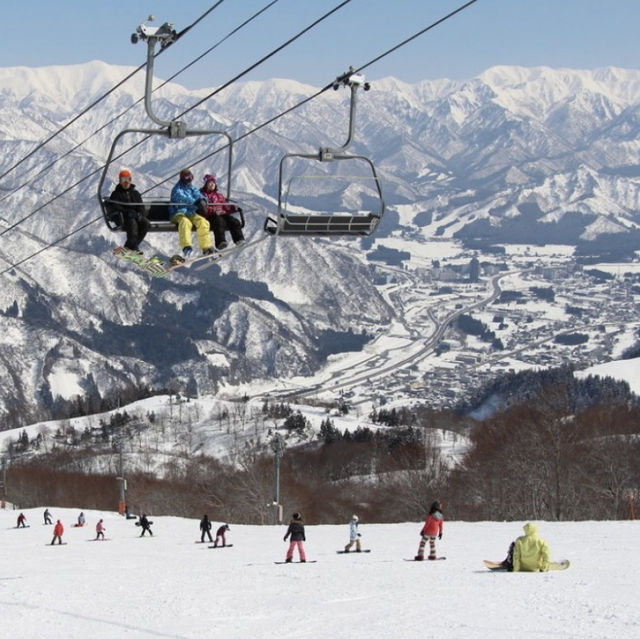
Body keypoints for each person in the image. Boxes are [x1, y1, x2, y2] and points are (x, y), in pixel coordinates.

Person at [169, 168, 213, 261]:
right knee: (185, 222)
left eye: (190, 176)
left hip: (190, 212)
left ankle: (206, 247)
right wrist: (196, 202)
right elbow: (181, 198)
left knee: (202, 221)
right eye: (186, 177)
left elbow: (199, 195)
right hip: (178, 212)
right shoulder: (177, 189)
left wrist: (203, 201)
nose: (189, 178)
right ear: (182, 178)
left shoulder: (192, 188)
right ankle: (186, 246)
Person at [107, 168, 149, 254]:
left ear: (130, 180)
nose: (126, 182)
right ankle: (130, 247)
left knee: (146, 224)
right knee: (132, 224)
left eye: (128, 179)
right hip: (122, 218)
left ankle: (133, 246)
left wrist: (139, 214)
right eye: (123, 180)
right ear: (120, 181)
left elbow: (141, 206)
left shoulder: (135, 193)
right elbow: (114, 207)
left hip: (135, 216)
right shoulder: (116, 194)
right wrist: (127, 212)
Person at [199, 174, 245, 250]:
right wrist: (214, 211)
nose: (212, 184)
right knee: (219, 222)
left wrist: (234, 208)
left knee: (234, 221)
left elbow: (226, 206)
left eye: (213, 183)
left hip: (222, 214)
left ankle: (239, 240)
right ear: (205, 184)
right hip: (210, 216)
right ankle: (220, 242)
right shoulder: (203, 195)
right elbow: (203, 207)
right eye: (209, 183)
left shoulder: (219, 195)